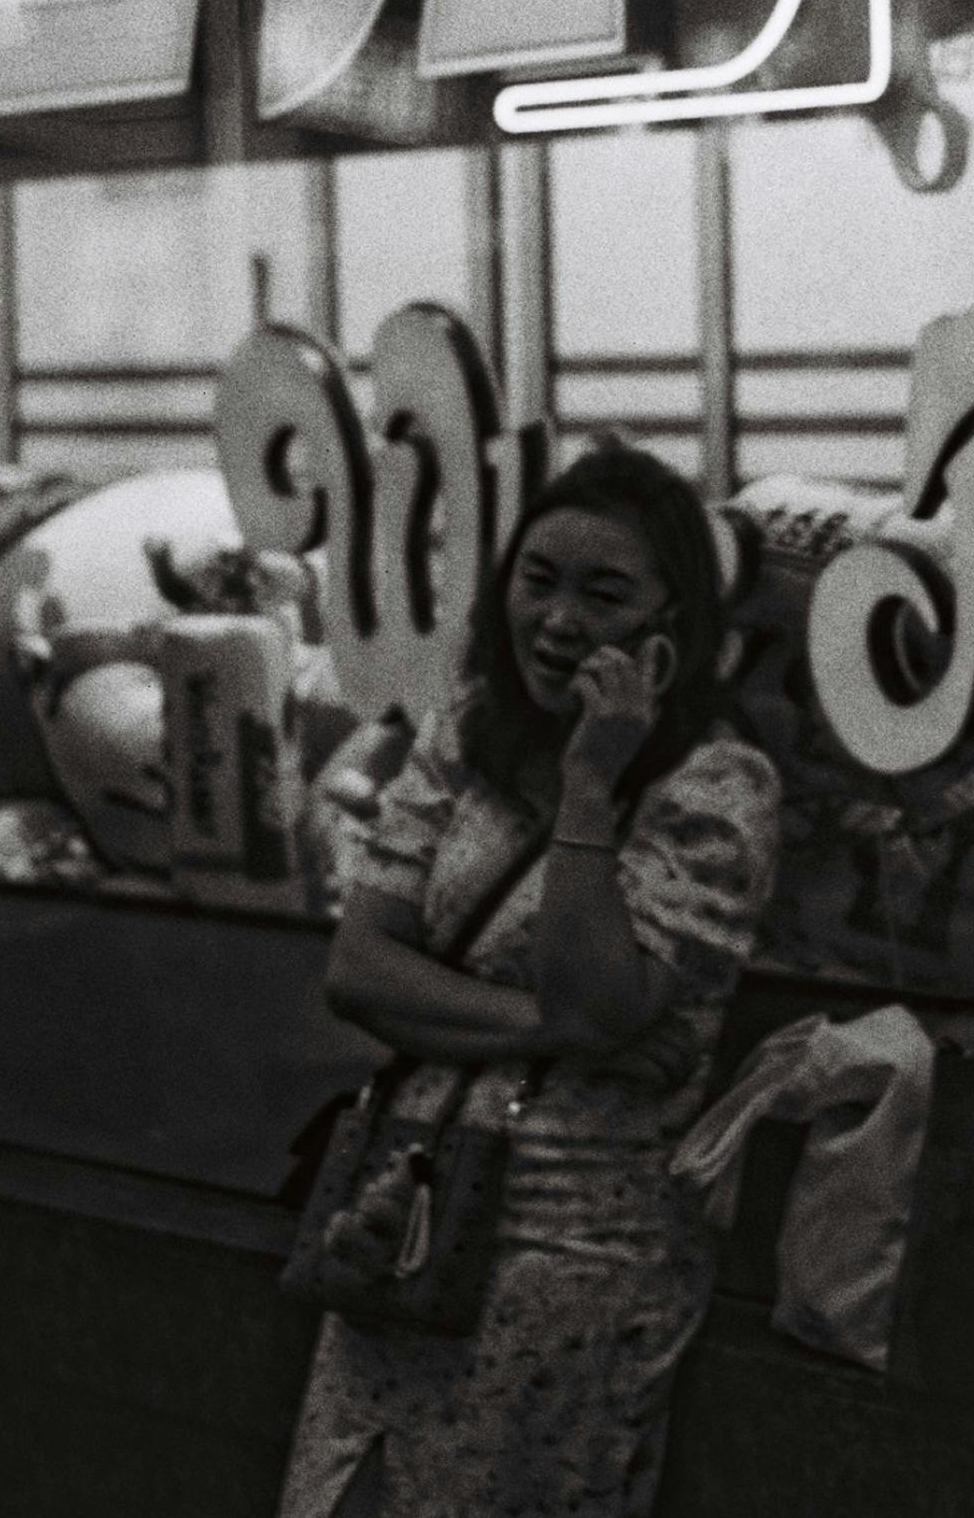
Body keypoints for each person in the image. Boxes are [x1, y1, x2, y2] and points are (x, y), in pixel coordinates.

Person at [280, 442, 781, 1518]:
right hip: (398, 1209)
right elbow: (360, 970)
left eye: (605, 595)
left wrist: (592, 786)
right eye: (537, 580)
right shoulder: (465, 733)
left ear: (671, 629)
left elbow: (598, 996)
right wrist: (549, 1030)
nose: (557, 621)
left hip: (572, 1248)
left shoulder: (716, 788)